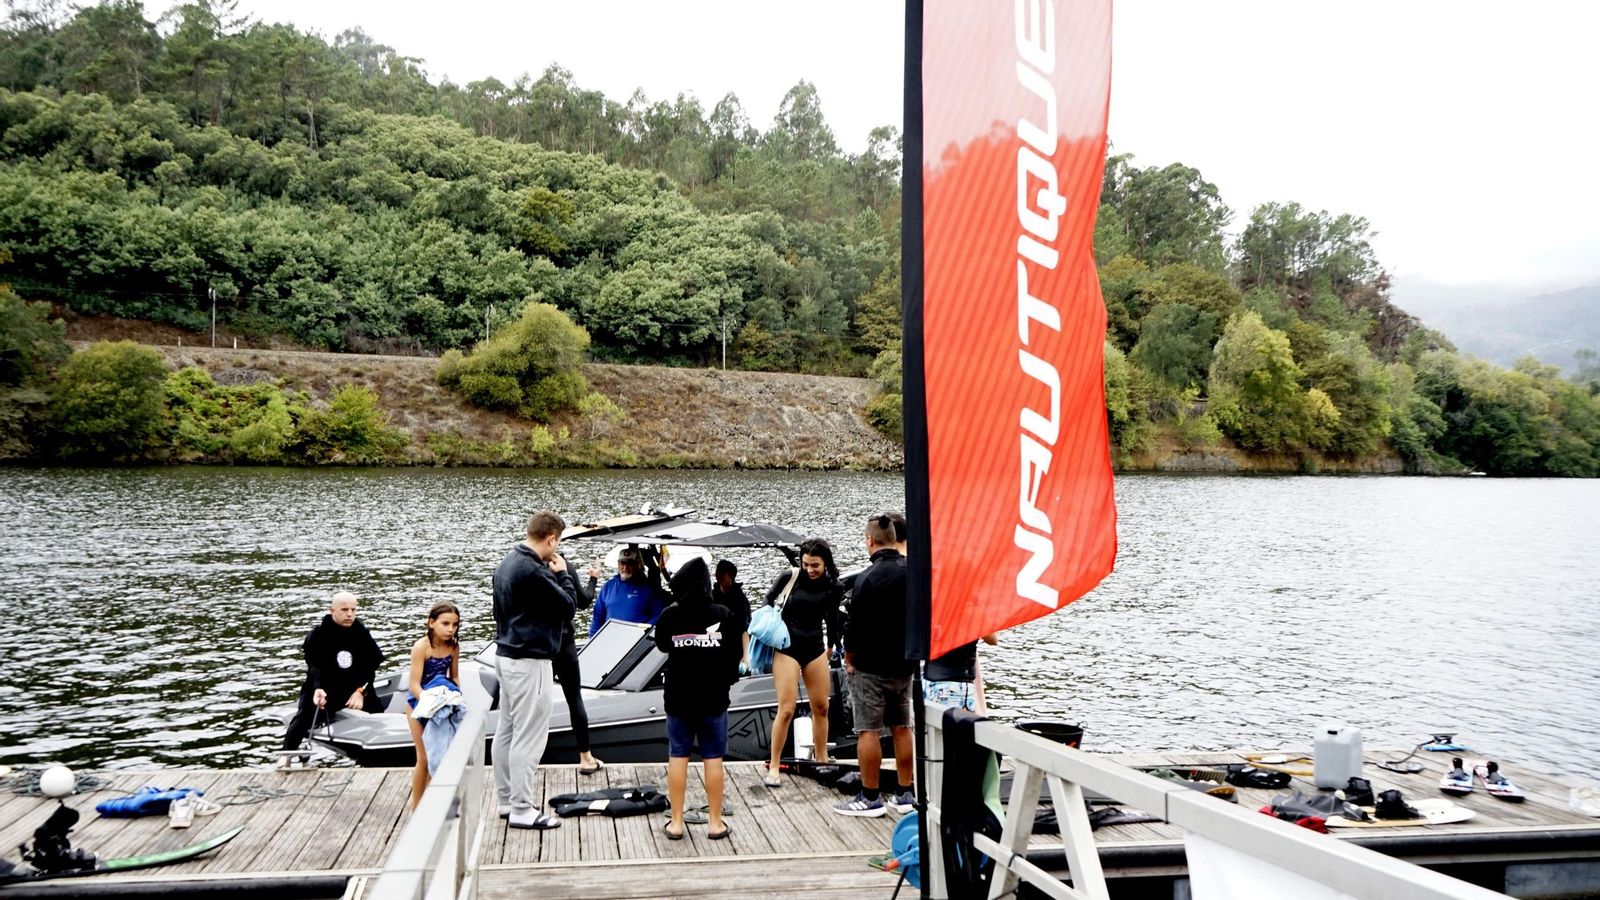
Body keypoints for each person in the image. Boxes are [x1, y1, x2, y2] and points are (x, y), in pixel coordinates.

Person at [491, 511, 576, 830]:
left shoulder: (506, 563)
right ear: (551, 538)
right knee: (529, 735)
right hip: (530, 660)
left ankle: (505, 800)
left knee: (507, 730)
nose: (558, 549)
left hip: (505, 654)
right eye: (558, 542)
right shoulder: (532, 569)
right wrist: (563, 574)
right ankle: (522, 808)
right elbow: (568, 607)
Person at [653, 557, 740, 841]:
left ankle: (676, 823)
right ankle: (715, 823)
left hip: (678, 697)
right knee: (713, 757)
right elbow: (733, 656)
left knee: (678, 755)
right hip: (714, 697)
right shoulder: (724, 614)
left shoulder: (669, 615)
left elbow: (663, 645)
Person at [835, 515, 915, 817]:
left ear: (870, 540)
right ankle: (905, 792)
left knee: (867, 730)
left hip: (871, 667)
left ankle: (870, 796)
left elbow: (855, 627)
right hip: (904, 664)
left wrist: (849, 659)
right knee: (901, 726)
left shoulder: (867, 578)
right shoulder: (913, 572)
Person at [762, 538, 844, 787]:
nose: (810, 569)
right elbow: (767, 600)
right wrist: (771, 626)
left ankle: (822, 758)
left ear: (825, 563)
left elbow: (832, 619)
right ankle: (774, 765)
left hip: (815, 648)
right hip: (787, 648)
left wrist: (834, 646)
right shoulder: (790, 576)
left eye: (815, 565)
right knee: (786, 709)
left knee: (821, 708)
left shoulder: (834, 587)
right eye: (806, 563)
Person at [281, 591, 385, 757]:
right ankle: (286, 754)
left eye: (353, 610)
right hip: (327, 688)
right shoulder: (319, 635)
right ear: (332, 611)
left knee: (380, 714)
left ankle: (381, 752)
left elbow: (371, 666)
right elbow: (315, 667)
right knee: (305, 715)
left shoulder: (361, 633)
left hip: (355, 688)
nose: (350, 614)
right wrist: (318, 689)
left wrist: (360, 691)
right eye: (344, 610)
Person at [406, 602, 461, 808]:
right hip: (418, 704)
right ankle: (416, 807)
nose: (450, 629)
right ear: (431, 623)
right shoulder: (422, 647)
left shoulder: (453, 646)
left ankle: (432, 802)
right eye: (445, 623)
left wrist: (456, 698)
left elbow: (454, 677)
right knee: (425, 757)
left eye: (454, 625)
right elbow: (413, 684)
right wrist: (428, 700)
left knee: (440, 755)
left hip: (442, 703)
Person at [561, 559, 607, 775]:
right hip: (564, 643)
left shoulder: (527, 566)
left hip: (541, 644)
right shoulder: (562, 565)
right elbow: (584, 601)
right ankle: (585, 757)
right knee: (574, 699)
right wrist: (593, 578)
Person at [588, 546, 667, 636]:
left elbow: (658, 614)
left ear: (637, 564)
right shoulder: (608, 587)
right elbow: (597, 618)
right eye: (623, 563)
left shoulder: (648, 588)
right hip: (611, 639)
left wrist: (644, 631)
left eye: (630, 563)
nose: (625, 567)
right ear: (618, 564)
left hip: (636, 641)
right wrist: (593, 638)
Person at [924, 633, 998, 713]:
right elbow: (993, 640)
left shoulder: (932, 620)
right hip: (957, 685)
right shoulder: (972, 620)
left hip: (929, 680)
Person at [711, 559, 753, 674]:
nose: (718, 576)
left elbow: (745, 629)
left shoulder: (740, 598)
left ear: (730, 576)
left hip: (735, 645)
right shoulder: (712, 595)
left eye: (722, 574)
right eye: (717, 573)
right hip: (716, 643)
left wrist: (746, 657)